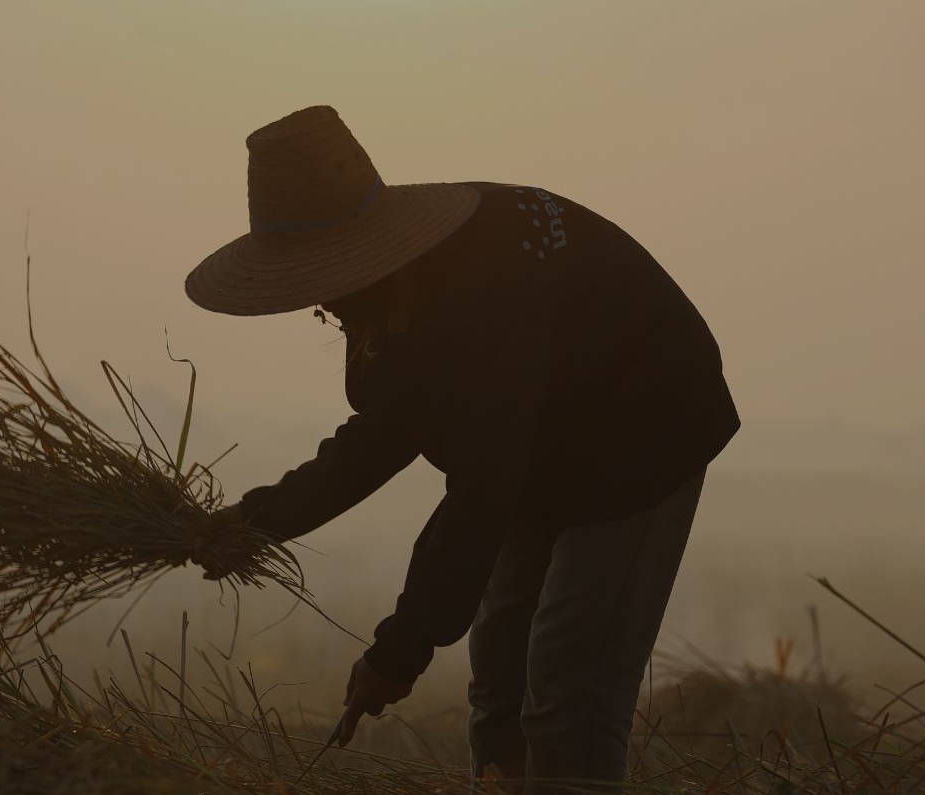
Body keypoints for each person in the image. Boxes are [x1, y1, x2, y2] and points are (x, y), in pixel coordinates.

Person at [184, 105, 740, 791]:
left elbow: (482, 488)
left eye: (322, 274)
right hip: (542, 445)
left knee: (569, 691)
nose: (320, 299)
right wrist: (255, 522)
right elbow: (385, 432)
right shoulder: (384, 300)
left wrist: (400, 647)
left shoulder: (483, 294)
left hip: (644, 432)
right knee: (499, 684)